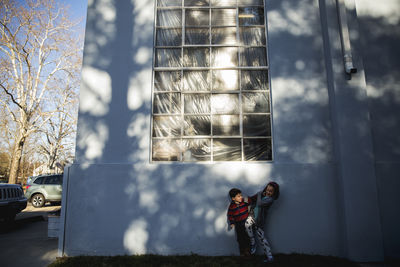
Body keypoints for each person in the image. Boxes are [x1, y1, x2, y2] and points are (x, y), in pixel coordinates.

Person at [245, 181, 280, 263]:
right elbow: (252, 199)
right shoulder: (262, 195)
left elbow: (259, 203)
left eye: (271, 191)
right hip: (253, 215)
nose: (268, 192)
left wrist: (260, 194)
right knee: (247, 225)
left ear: (274, 193)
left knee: (262, 239)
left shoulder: (270, 199)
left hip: (259, 221)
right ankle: (253, 242)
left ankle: (270, 256)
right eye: (267, 190)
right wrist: (248, 199)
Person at [227, 188, 253, 256]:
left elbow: (250, 201)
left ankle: (248, 252)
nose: (241, 197)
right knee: (240, 239)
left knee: (247, 238)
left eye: (241, 195)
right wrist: (232, 223)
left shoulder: (244, 202)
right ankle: (242, 252)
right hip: (238, 225)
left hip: (246, 223)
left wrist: (248, 199)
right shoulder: (232, 206)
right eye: (239, 196)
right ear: (233, 198)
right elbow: (230, 215)